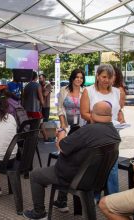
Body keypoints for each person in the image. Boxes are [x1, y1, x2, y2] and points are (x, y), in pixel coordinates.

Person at [23, 101, 121, 219]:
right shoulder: (115, 133)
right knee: (68, 163)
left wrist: (61, 134)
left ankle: (39, 213)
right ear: (110, 115)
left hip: (74, 177)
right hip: (95, 179)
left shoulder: (88, 130)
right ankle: (61, 202)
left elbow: (63, 147)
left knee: (35, 175)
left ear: (92, 114)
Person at [80, 64, 123, 196]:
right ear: (97, 76)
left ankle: (113, 198)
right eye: (104, 76)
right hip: (95, 134)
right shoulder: (89, 91)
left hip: (113, 134)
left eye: (109, 78)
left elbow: (118, 110)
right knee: (95, 166)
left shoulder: (117, 91)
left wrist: (121, 119)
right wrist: (100, 121)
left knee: (112, 167)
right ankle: (94, 196)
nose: (106, 80)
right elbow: (84, 113)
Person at [53, 68, 85, 212]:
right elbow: (60, 109)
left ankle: (63, 200)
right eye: (77, 77)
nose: (79, 79)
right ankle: (62, 200)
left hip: (81, 131)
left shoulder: (86, 92)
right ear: (72, 78)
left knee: (75, 164)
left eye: (81, 77)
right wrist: (63, 127)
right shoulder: (64, 90)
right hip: (66, 129)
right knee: (65, 160)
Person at [39, 74, 53, 142]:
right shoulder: (39, 85)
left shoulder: (48, 85)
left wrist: (40, 90)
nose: (39, 79)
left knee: (42, 122)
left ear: (44, 78)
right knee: (41, 123)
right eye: (39, 78)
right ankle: (46, 138)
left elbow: (45, 94)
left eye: (41, 78)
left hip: (45, 106)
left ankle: (45, 137)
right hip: (40, 106)